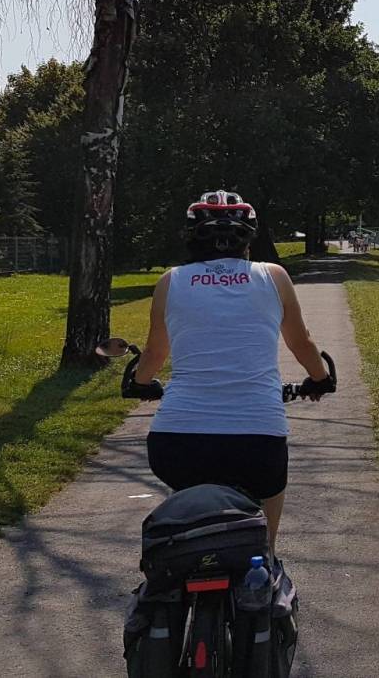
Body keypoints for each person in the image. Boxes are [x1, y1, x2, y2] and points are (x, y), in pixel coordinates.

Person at [128, 190, 331, 551]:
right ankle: (266, 558)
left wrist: (139, 383)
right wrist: (321, 379)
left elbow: (156, 352)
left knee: (188, 513)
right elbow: (301, 344)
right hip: (257, 442)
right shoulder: (274, 276)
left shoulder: (170, 281)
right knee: (265, 516)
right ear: (248, 239)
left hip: (177, 443)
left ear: (192, 237)